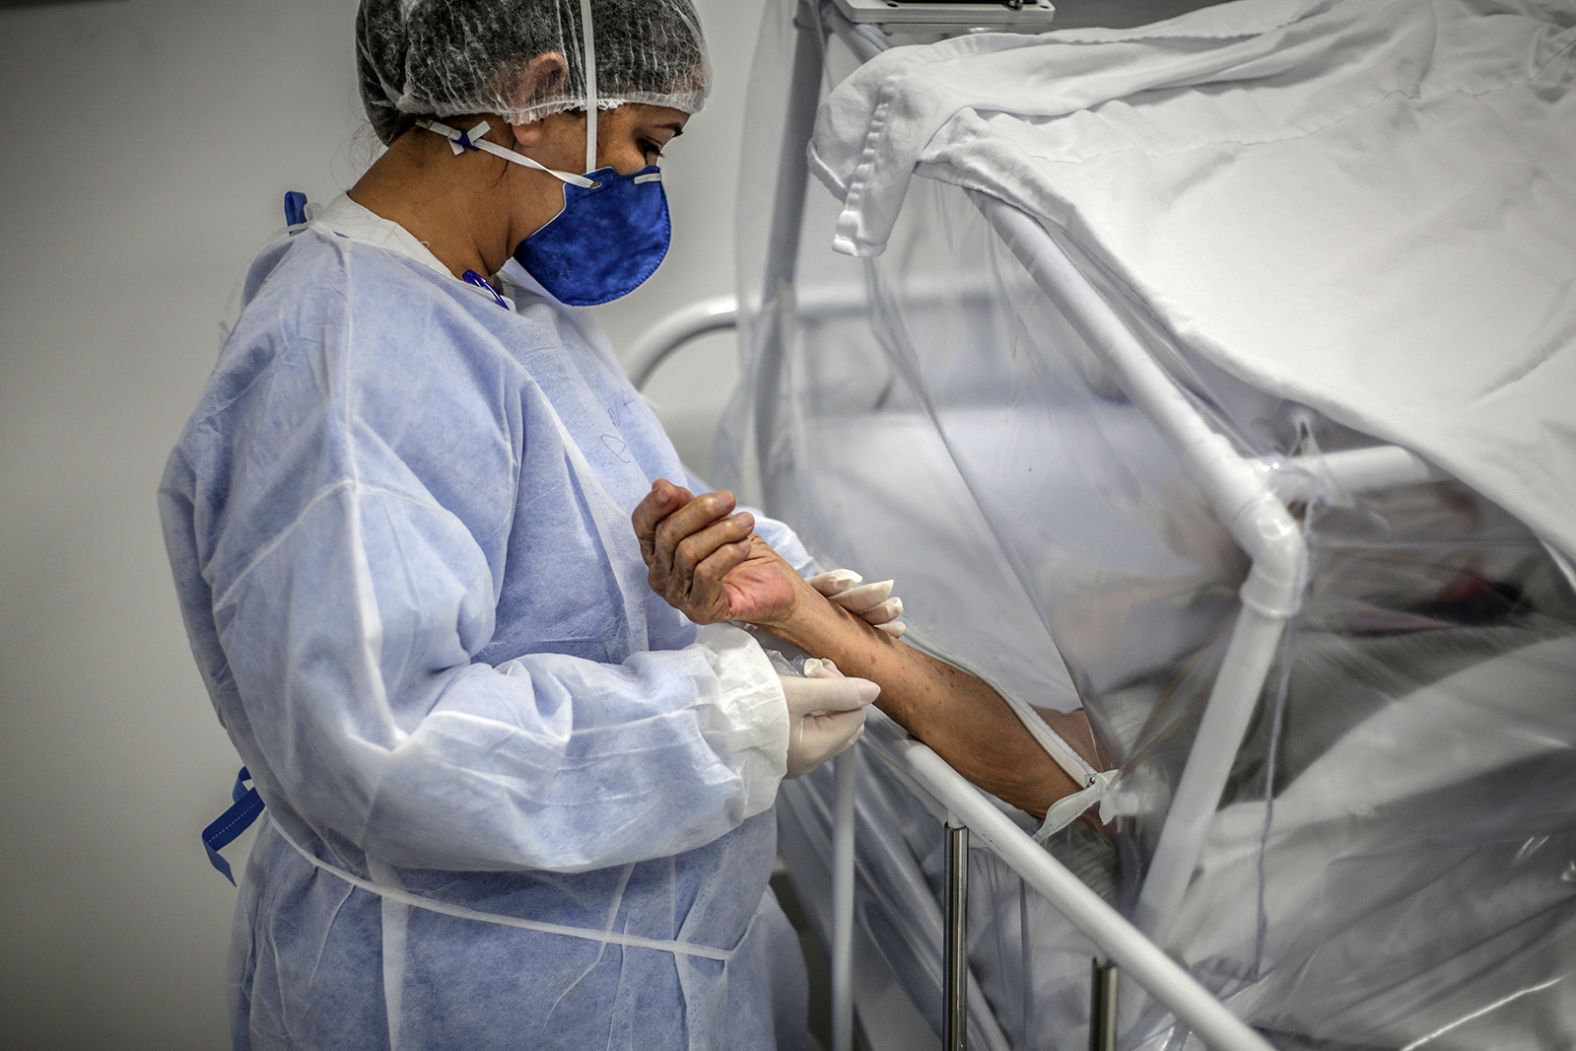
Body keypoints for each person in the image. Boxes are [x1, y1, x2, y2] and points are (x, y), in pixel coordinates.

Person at [159, 2, 1085, 1047]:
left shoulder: (499, 310)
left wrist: (768, 583)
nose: (647, 180)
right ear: (531, 94)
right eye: (648, 141)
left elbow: (611, 518)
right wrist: (718, 720)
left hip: (630, 963)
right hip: (462, 998)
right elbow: (382, 741)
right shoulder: (344, 354)